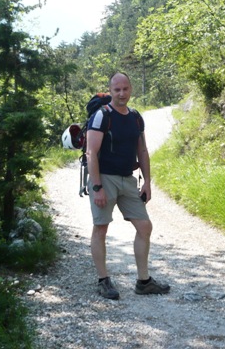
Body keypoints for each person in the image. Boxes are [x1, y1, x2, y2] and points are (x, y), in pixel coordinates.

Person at [85, 71, 170, 300]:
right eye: (117, 90)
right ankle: (103, 281)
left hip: (127, 179)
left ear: (131, 89)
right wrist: (97, 187)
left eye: (125, 89)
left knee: (145, 227)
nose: (122, 94)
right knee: (101, 228)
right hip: (104, 178)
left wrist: (147, 182)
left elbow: (142, 150)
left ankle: (143, 281)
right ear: (111, 91)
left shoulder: (135, 117)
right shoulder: (102, 116)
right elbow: (91, 152)